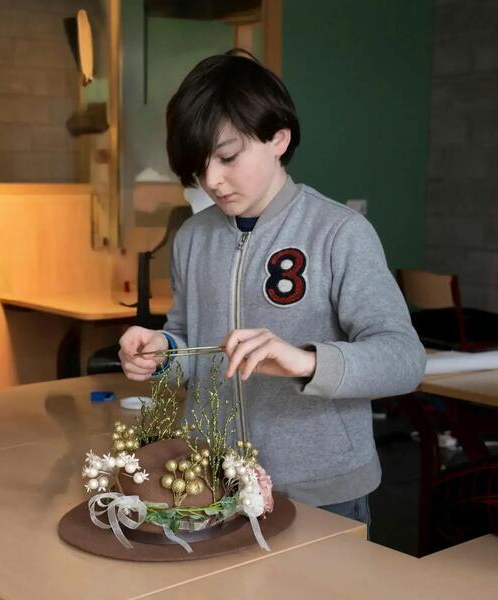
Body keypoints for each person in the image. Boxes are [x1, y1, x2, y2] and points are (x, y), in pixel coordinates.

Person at [118, 49, 426, 526]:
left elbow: (405, 359)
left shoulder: (339, 232)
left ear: (278, 138)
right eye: (199, 167)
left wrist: (306, 361)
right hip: (214, 481)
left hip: (322, 488)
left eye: (227, 157)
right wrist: (162, 352)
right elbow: (189, 344)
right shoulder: (193, 237)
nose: (212, 180)